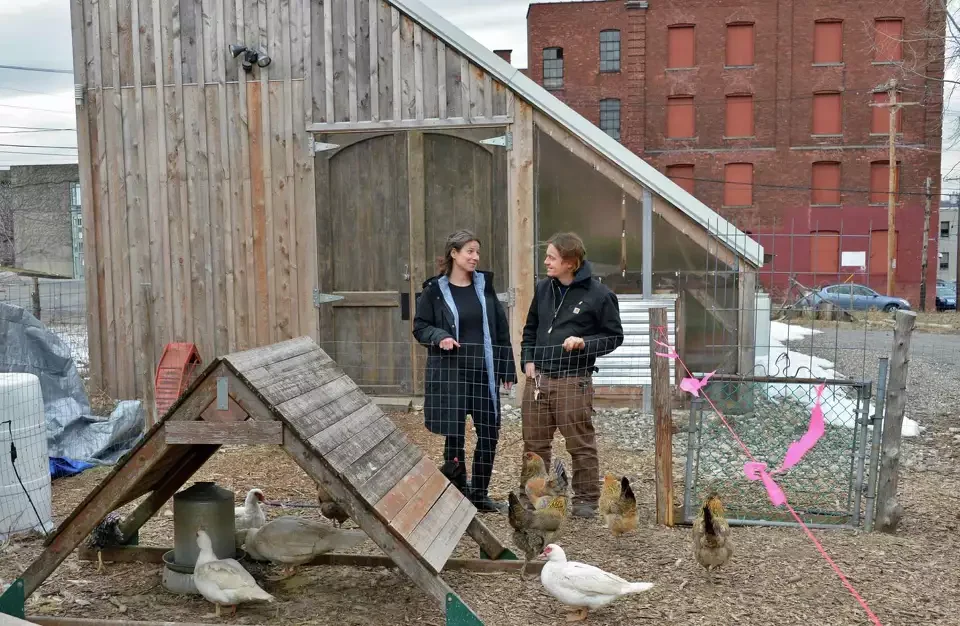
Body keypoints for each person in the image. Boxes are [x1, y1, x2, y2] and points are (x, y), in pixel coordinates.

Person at [520, 232, 624, 518]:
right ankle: (533, 496)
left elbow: (614, 336)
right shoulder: (543, 289)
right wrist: (527, 360)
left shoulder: (600, 295)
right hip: (539, 379)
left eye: (552, 257)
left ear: (571, 262)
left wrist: (585, 343)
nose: (546, 262)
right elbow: (530, 329)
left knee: (579, 442)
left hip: (573, 379)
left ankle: (587, 499)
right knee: (534, 443)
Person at [413, 230, 517, 512]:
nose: (475, 257)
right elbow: (420, 327)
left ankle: (480, 494)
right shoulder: (434, 291)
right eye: (470, 251)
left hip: (483, 374)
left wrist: (507, 369)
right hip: (452, 377)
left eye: (477, 252)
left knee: (489, 432)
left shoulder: (484, 287)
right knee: (454, 434)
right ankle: (457, 491)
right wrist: (440, 336)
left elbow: (500, 330)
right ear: (454, 254)